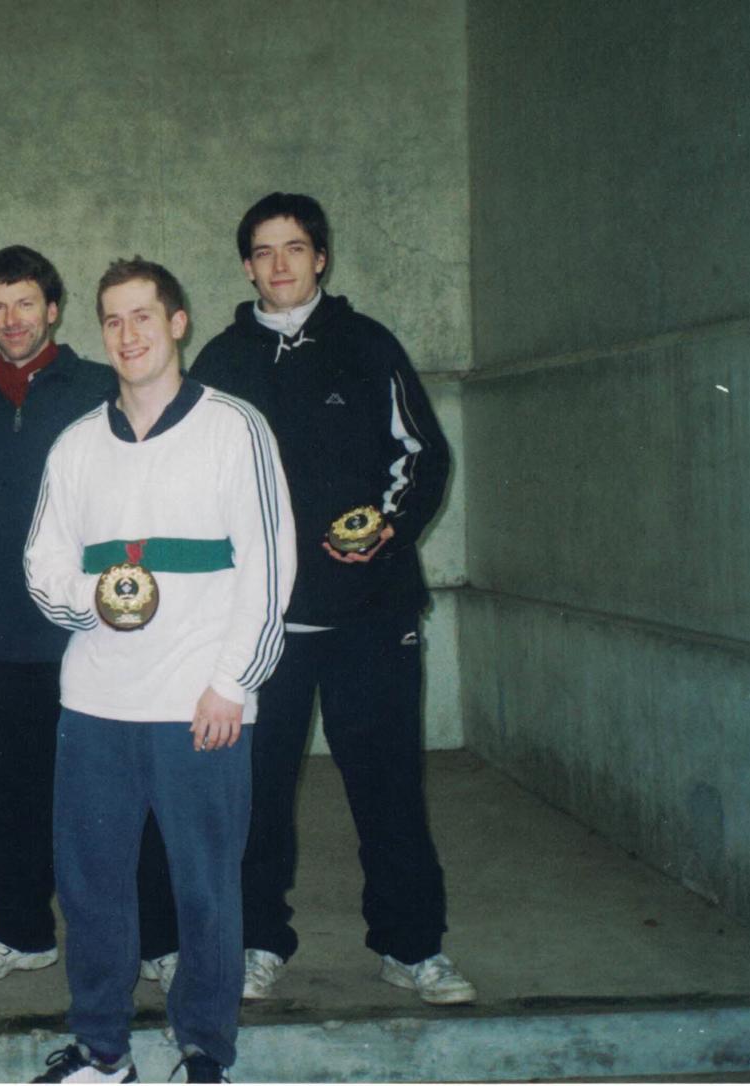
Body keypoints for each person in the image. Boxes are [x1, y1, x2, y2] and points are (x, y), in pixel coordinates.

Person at [185, 192, 472, 1005]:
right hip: (263, 626)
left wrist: (391, 526)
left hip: (370, 617)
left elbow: (424, 455)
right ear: (246, 266)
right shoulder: (221, 361)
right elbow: (193, 478)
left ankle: (412, 948)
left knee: (386, 787)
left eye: (296, 248)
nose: (281, 265)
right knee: (257, 794)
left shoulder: (368, 344)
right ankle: (255, 942)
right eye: (265, 252)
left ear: (321, 258)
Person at [25, 259, 295, 1083]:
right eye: (113, 320)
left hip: (199, 705)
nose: (129, 334)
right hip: (97, 705)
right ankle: (103, 1050)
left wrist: (233, 683)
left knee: (206, 888)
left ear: (178, 322)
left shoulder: (234, 428)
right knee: (92, 888)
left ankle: (205, 1049)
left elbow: (269, 567)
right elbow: (42, 565)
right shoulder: (76, 446)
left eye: (144, 316)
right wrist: (93, 603)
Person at [0, 246, 117, 985]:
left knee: (110, 802)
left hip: (96, 638)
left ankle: (141, 938)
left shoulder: (104, 389)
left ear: (53, 307)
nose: (12, 320)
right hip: (4, 642)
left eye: (25, 303)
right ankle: (22, 930)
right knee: (8, 796)